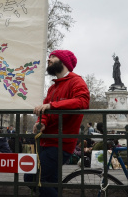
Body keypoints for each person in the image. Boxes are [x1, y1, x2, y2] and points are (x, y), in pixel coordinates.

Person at [24, 49, 90, 197]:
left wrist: (52, 106)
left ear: (64, 62)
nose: (49, 59)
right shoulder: (53, 88)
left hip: (61, 143)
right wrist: (42, 123)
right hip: (46, 142)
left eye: (53, 57)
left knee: (32, 178)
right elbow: (46, 110)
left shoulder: (76, 81)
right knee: (50, 182)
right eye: (49, 57)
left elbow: (82, 101)